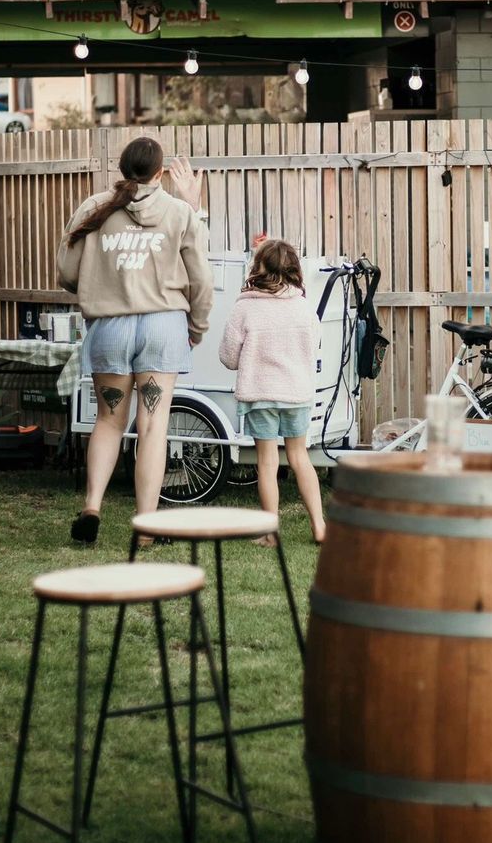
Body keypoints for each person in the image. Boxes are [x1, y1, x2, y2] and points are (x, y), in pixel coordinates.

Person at [58, 140, 212, 544]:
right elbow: (202, 279)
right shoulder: (179, 213)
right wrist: (196, 327)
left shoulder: (95, 206)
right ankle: (146, 526)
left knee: (108, 421)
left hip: (109, 329)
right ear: (159, 174)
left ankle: (92, 505)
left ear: (121, 168)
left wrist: (99, 278)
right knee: (153, 426)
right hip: (163, 328)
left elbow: (66, 270)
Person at [218, 238, 326, 544]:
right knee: (299, 457)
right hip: (297, 393)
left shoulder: (246, 306)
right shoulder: (304, 307)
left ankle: (269, 533)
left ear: (259, 268)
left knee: (267, 462)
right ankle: (319, 526)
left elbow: (227, 357)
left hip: (260, 392)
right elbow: (313, 345)